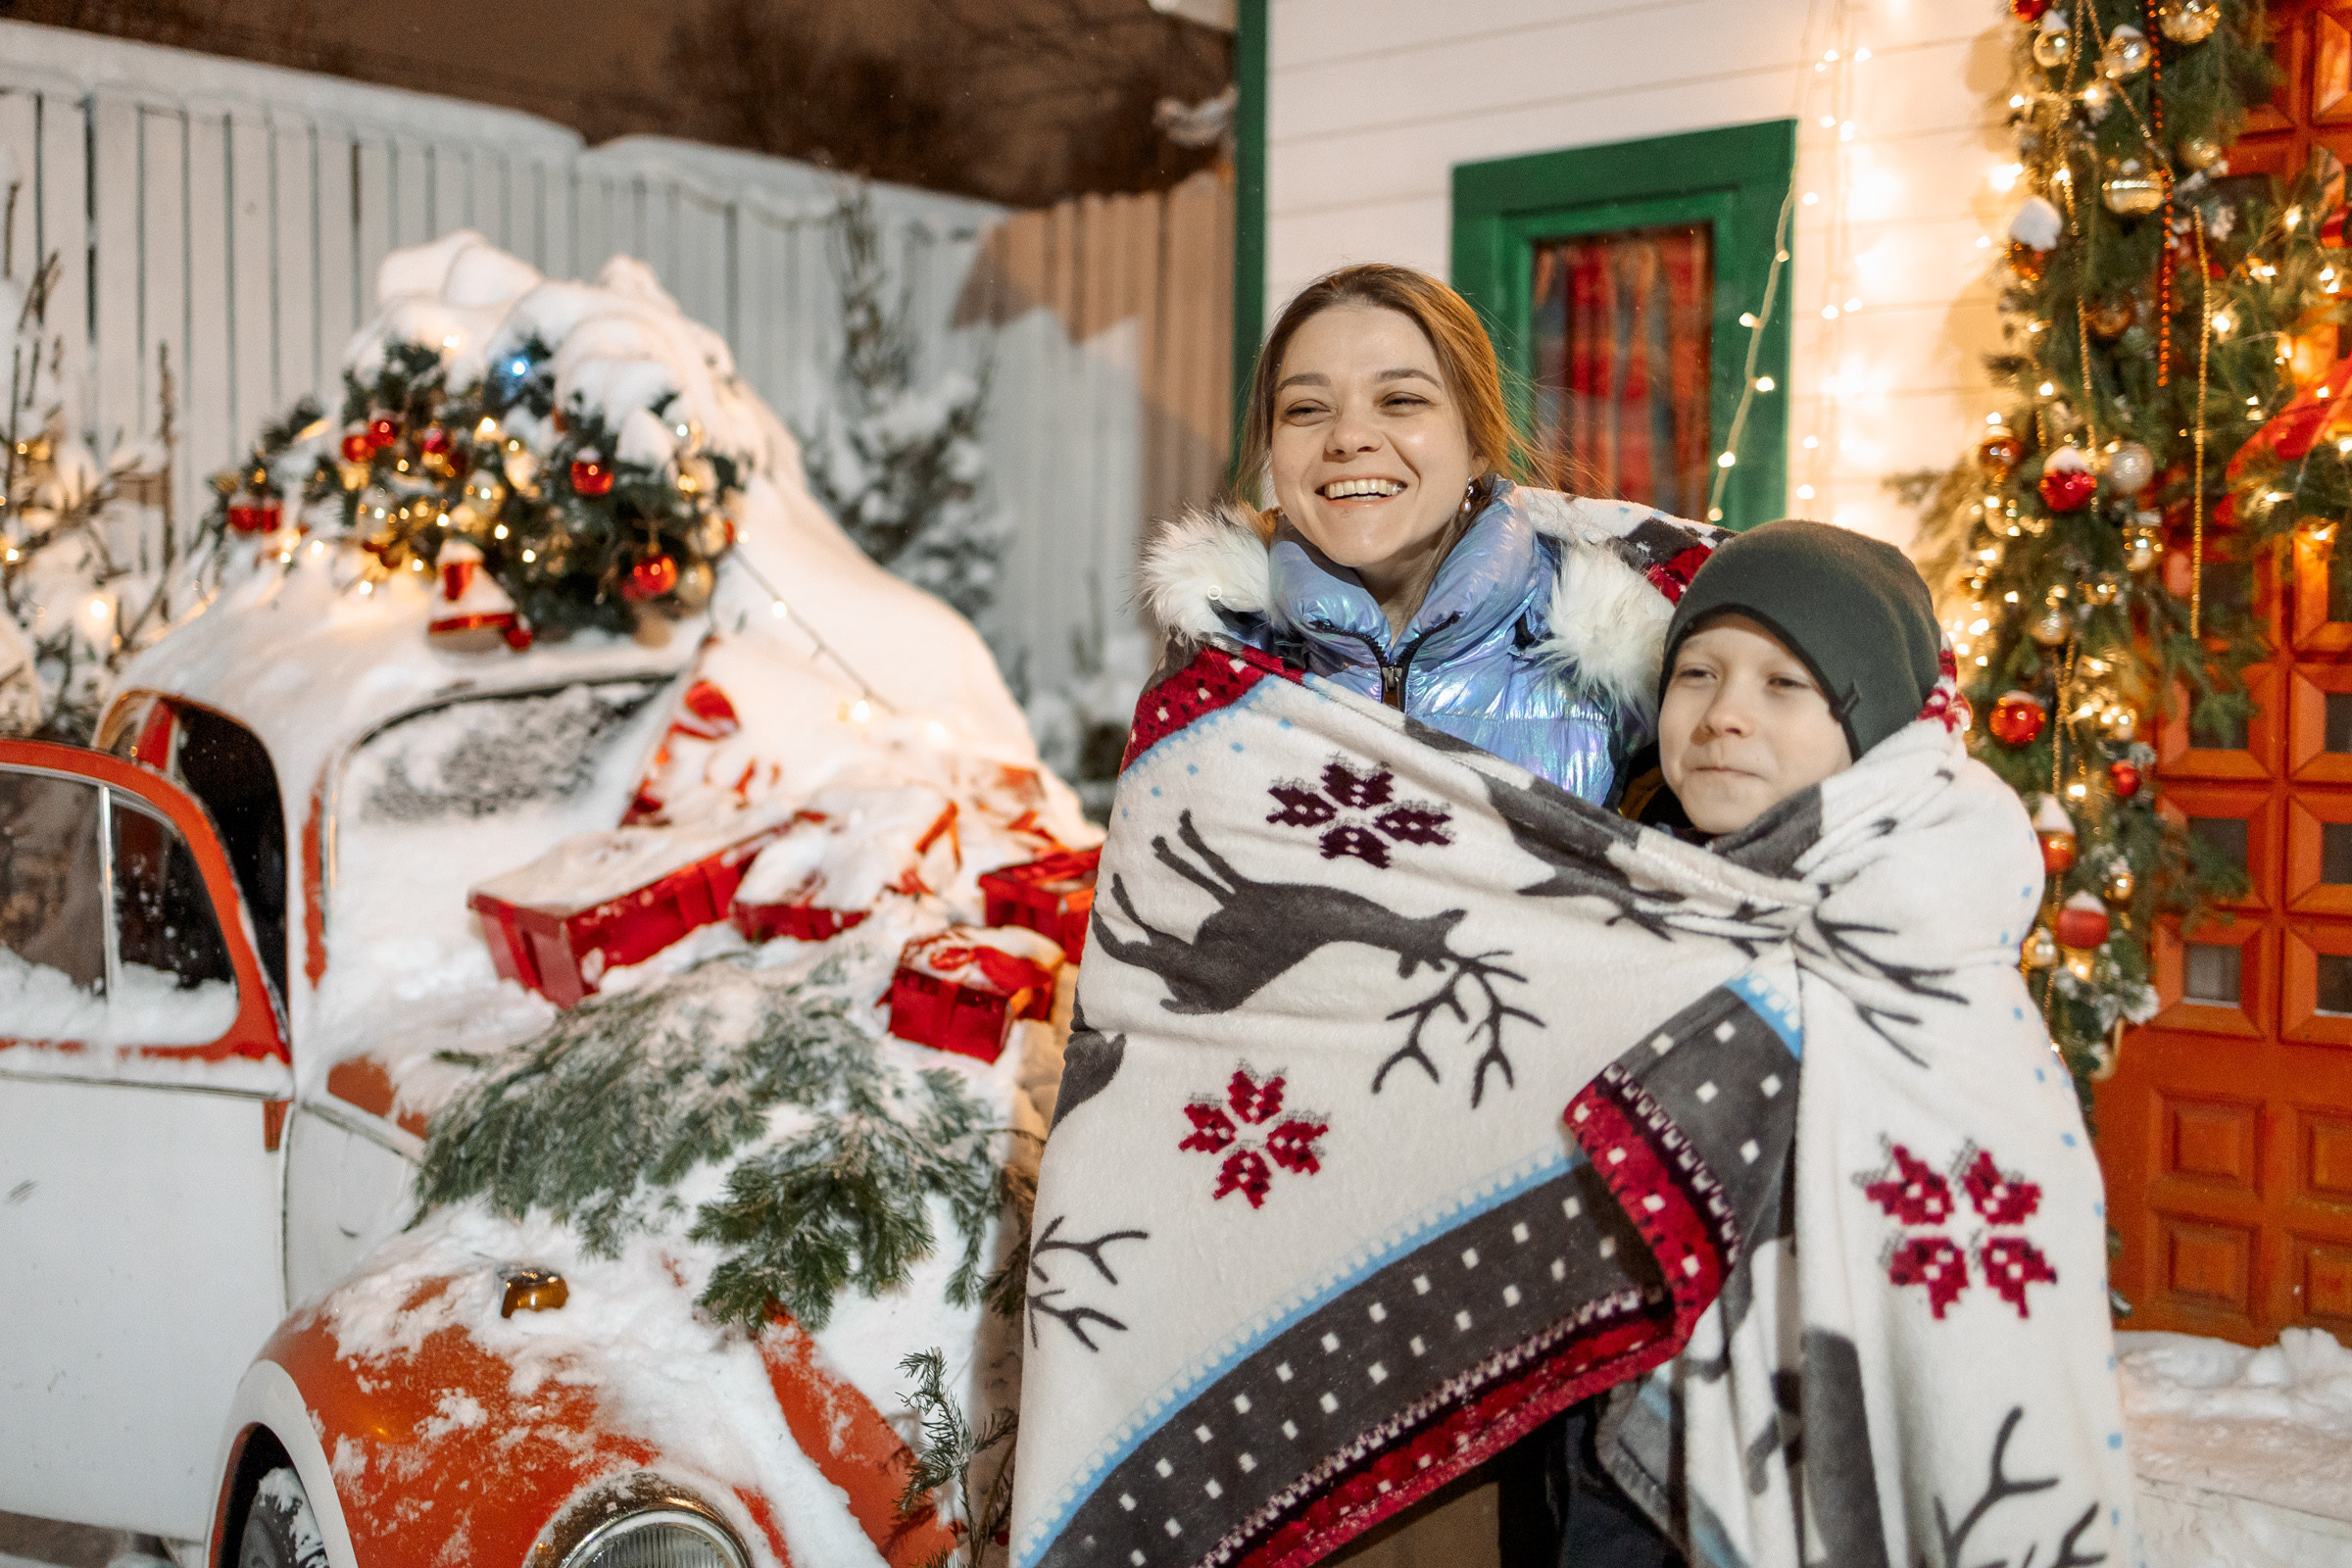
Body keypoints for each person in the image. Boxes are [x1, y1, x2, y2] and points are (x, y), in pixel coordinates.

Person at [1143, 262, 1716, 805]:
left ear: (1477, 445)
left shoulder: (1631, 661)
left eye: (1400, 400)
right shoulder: (1216, 660)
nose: (1347, 437)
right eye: (1306, 409)